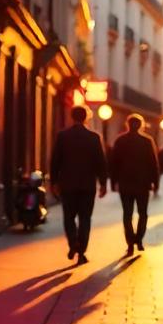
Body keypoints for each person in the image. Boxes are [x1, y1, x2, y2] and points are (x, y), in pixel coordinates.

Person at [49, 105, 108, 264]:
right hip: (87, 185)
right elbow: (100, 162)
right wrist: (103, 183)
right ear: (87, 117)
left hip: (67, 184)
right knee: (85, 218)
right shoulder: (94, 137)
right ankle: (81, 251)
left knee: (69, 217)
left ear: (72, 117)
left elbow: (55, 161)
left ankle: (73, 243)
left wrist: (53, 181)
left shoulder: (62, 136)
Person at [109, 114, 159, 255]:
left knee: (127, 214)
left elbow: (114, 164)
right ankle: (139, 239)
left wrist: (113, 182)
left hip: (125, 183)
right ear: (141, 125)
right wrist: (155, 182)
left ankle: (130, 242)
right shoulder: (147, 141)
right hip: (143, 183)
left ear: (128, 124)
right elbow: (153, 163)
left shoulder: (120, 141)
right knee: (143, 213)